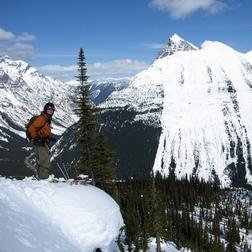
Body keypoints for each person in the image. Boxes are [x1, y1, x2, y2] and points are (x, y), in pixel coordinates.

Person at [28, 102, 56, 179]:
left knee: (40, 161)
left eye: (52, 110)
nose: (50, 111)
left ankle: (39, 177)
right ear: (45, 109)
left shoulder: (47, 118)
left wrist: (49, 138)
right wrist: (36, 138)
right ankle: (44, 179)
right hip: (40, 143)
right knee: (45, 162)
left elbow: (43, 131)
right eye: (49, 109)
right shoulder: (42, 118)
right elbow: (31, 129)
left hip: (43, 142)